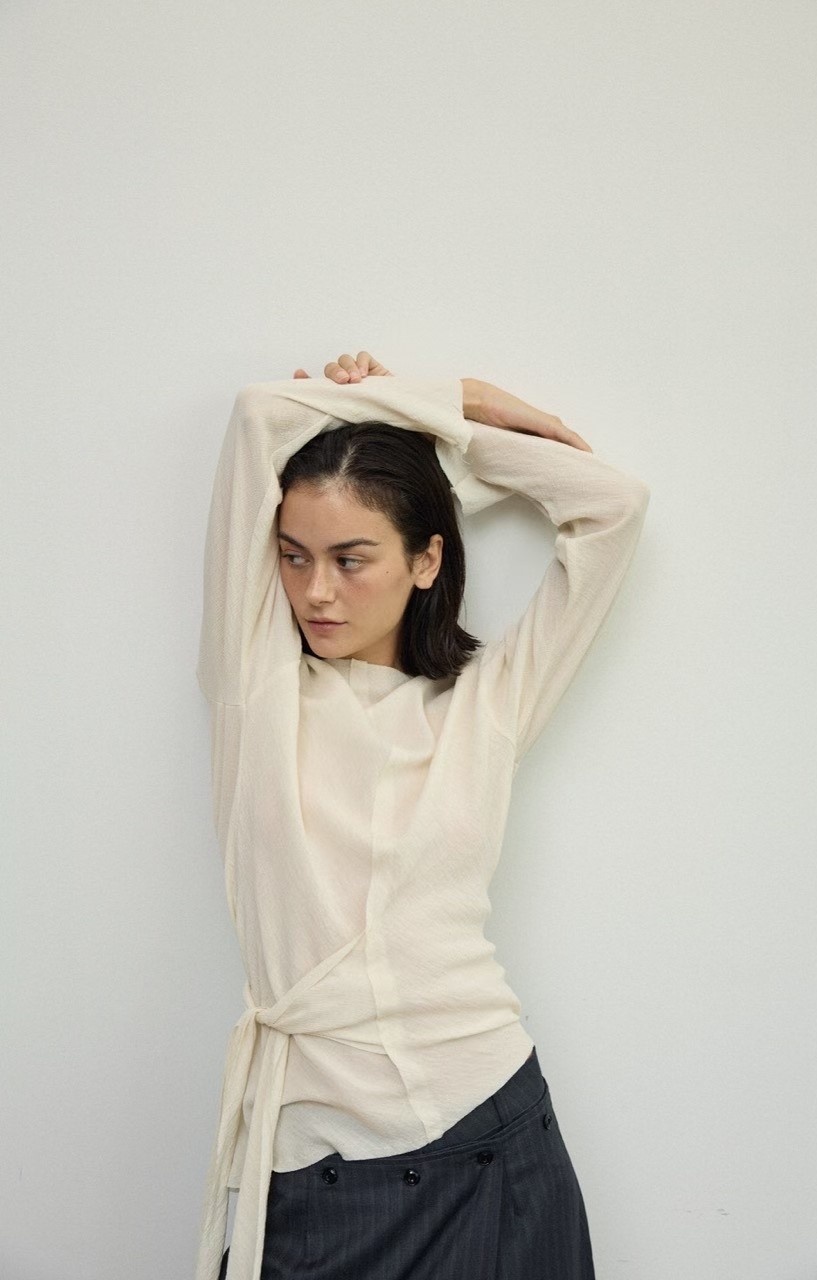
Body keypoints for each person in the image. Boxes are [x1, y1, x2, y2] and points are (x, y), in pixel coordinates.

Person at [193, 351, 651, 1280]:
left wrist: (448, 431)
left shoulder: (486, 703)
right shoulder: (256, 690)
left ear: (425, 558)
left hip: (491, 1127)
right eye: (294, 555)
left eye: (351, 558)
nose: (315, 591)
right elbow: (258, 412)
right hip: (318, 1168)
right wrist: (438, 399)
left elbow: (611, 506)